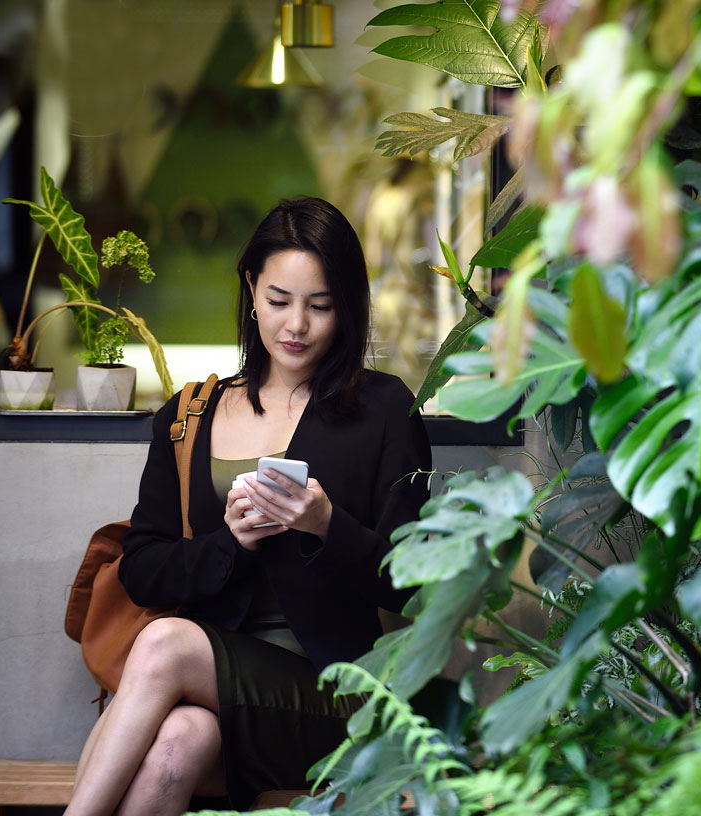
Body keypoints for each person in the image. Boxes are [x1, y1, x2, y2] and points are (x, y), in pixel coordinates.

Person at [63, 197, 432, 816]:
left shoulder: (384, 409)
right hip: (208, 693)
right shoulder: (191, 414)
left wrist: (323, 525)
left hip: (334, 697)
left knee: (165, 644)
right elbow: (142, 567)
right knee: (178, 743)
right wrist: (231, 542)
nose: (297, 326)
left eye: (320, 306)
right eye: (279, 300)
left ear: (347, 304)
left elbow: (411, 585)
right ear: (251, 290)